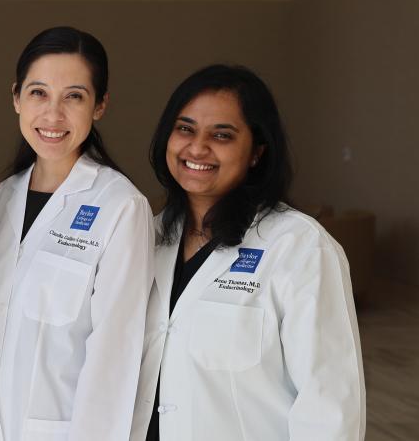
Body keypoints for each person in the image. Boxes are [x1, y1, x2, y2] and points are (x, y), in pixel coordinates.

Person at [129, 64, 365, 441]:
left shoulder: (299, 247)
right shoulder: (145, 236)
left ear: (256, 152)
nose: (197, 147)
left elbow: (329, 403)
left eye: (222, 135)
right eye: (185, 128)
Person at [0, 27, 155, 440]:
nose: (53, 115)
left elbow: (114, 361)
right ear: (16, 97)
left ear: (99, 105)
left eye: (74, 96)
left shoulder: (120, 207)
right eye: (38, 93)